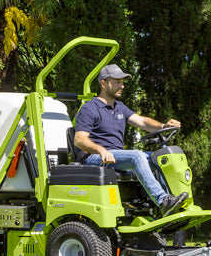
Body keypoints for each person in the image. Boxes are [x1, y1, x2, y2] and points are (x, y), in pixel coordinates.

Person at [73, 64, 188, 216]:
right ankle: (162, 200)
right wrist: (101, 150)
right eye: (117, 82)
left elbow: (142, 122)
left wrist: (164, 125)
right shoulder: (90, 108)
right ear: (103, 84)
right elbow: (79, 140)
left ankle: (170, 203)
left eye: (123, 82)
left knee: (160, 157)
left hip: (117, 156)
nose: (122, 85)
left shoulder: (120, 107)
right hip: (95, 158)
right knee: (137, 155)